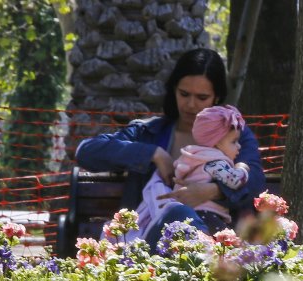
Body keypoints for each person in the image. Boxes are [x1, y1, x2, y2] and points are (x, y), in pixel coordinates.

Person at [75, 48, 265, 247]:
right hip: (146, 244)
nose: (191, 104)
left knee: (182, 217)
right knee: (178, 214)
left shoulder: (234, 136)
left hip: (218, 241)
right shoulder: (148, 133)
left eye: (202, 97)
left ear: (217, 98)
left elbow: (255, 180)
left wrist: (214, 191)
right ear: (173, 89)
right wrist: (153, 153)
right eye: (184, 94)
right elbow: (86, 152)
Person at [131, 105, 249, 244]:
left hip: (191, 215)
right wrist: (242, 168)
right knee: (228, 249)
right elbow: (234, 181)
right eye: (234, 142)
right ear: (216, 142)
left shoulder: (194, 157)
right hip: (207, 215)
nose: (239, 147)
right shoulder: (215, 161)